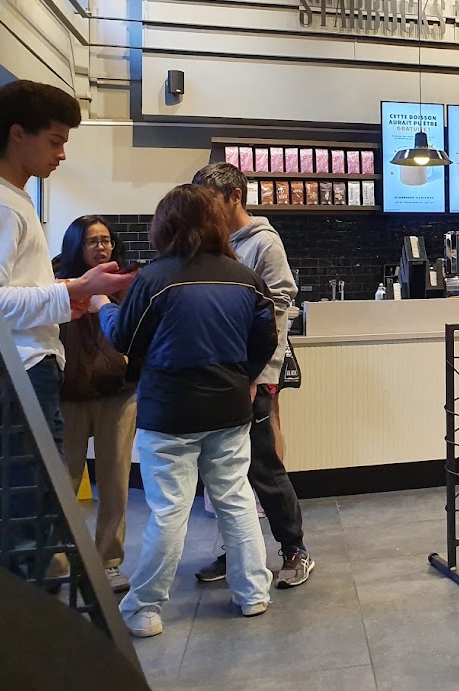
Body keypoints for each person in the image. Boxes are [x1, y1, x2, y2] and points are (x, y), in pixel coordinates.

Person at [0, 80, 132, 561]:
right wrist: (71, 292)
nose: (61, 154)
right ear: (18, 134)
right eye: (55, 141)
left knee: (26, 509)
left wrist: (68, 297)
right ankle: (23, 605)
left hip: (19, 372)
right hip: (15, 375)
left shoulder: (10, 200)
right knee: (25, 515)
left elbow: (3, 293)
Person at [97, 185, 277, 638]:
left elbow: (124, 339)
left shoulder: (155, 279)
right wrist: (242, 376)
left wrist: (101, 306)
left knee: (169, 510)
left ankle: (145, 609)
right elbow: (266, 339)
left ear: (166, 225)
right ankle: (253, 593)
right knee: (236, 499)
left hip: (169, 411)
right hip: (230, 407)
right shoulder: (245, 278)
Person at [191, 162, 315, 589]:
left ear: (235, 197)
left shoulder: (264, 242)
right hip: (220, 372)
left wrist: (260, 374)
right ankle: (239, 550)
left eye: (212, 202)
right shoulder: (212, 241)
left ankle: (295, 550)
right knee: (227, 472)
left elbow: (280, 306)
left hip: (253, 374)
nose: (205, 211)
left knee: (264, 467)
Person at [56, 216, 137, 594]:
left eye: (106, 240)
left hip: (118, 393)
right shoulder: (56, 281)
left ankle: (108, 562)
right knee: (63, 480)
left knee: (115, 482)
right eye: (93, 241)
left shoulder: (124, 282)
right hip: (67, 394)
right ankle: (56, 562)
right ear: (77, 245)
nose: (102, 247)